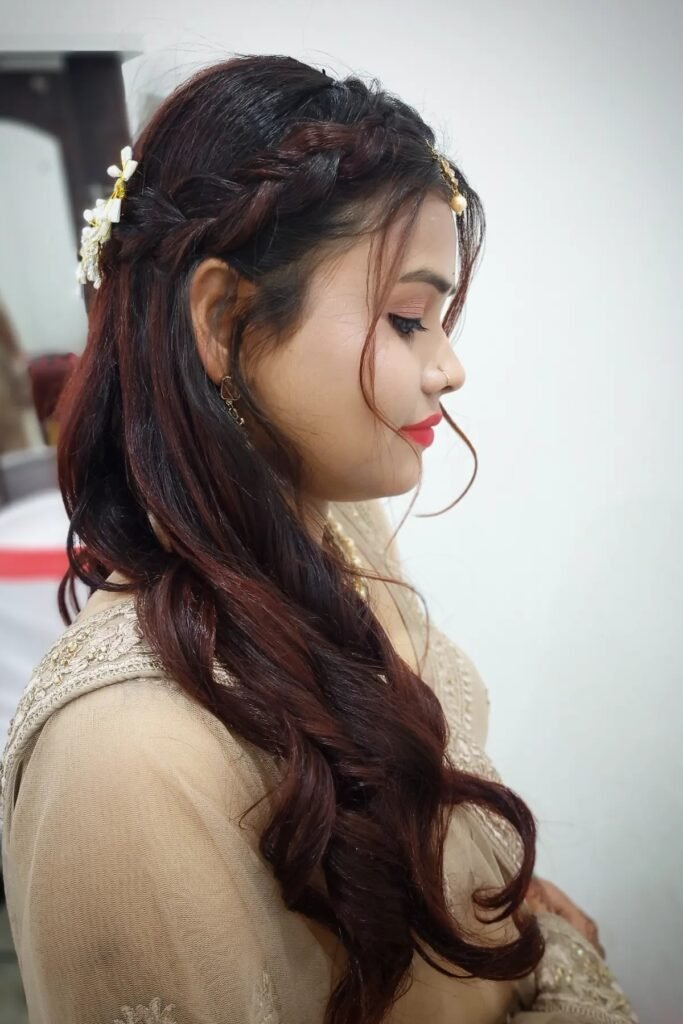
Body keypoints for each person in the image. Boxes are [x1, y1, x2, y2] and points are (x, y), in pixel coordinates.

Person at [0, 55, 637, 1023]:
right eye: (408, 318)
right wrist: (563, 969)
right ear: (225, 320)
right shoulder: (120, 763)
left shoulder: (339, 530)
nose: (449, 367)